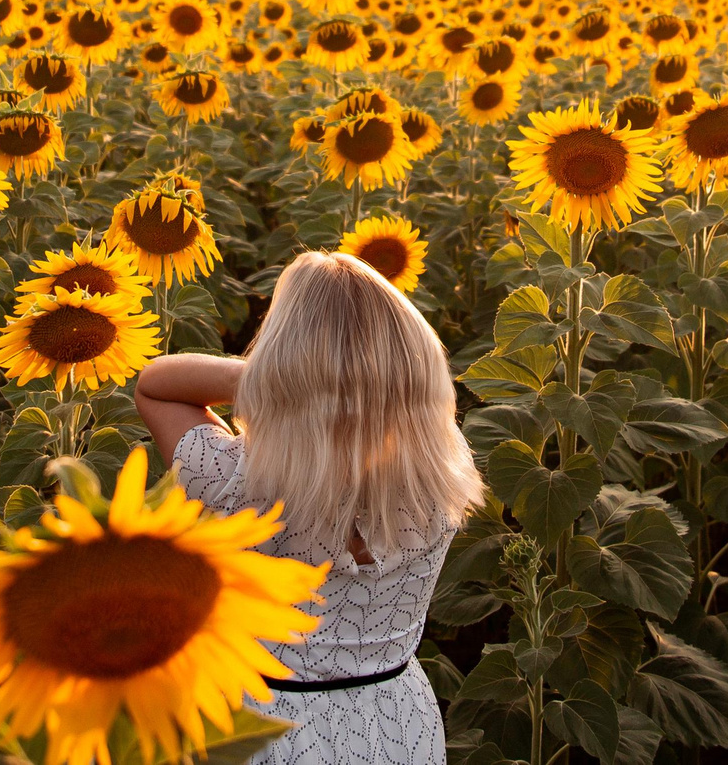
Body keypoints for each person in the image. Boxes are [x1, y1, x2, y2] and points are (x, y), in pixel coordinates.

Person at [132, 249, 484, 764]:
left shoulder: (234, 481)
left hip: (261, 726)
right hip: (395, 721)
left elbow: (156, 384)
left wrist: (279, 382)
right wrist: (377, 385)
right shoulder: (442, 477)